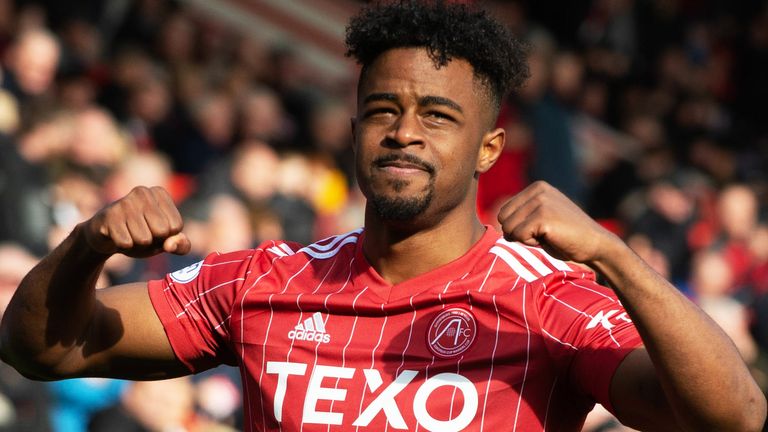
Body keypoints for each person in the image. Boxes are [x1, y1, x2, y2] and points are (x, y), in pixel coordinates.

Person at [0, 1, 764, 431]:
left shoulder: (548, 301)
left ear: (488, 148)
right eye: (383, 111)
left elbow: (733, 421)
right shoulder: (267, 280)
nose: (403, 131)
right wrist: (87, 244)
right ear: (357, 127)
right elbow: (41, 352)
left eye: (437, 115)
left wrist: (617, 260)